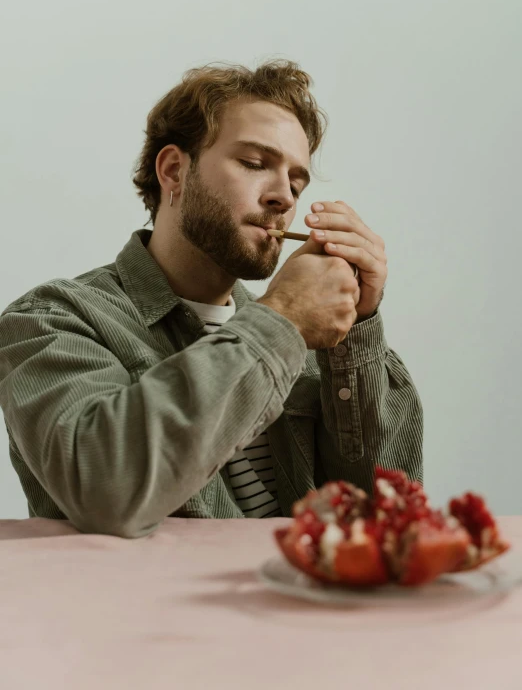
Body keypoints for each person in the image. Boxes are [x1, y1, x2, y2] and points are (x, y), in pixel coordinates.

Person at [0, 60, 422, 538]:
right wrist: (281, 318)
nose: (284, 196)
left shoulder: (307, 336)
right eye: (254, 163)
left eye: (297, 182)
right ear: (175, 170)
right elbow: (107, 493)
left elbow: (388, 522)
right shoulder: (52, 320)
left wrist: (358, 330)